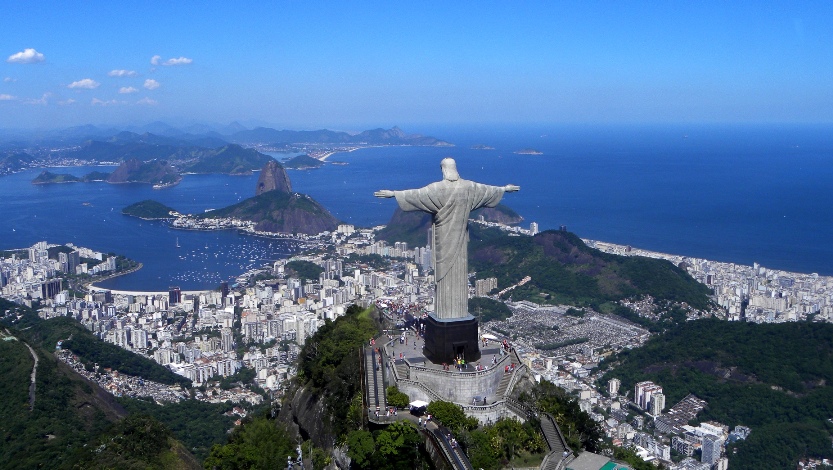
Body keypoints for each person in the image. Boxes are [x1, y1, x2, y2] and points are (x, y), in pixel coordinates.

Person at [375, 158, 519, 319]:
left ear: (443, 170)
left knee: (444, 274)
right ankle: (457, 313)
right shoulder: (469, 187)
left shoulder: (437, 188)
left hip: (443, 239)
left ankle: (446, 314)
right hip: (460, 240)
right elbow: (487, 191)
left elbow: (416, 195)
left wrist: (394, 194)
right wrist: (504, 189)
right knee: (458, 272)